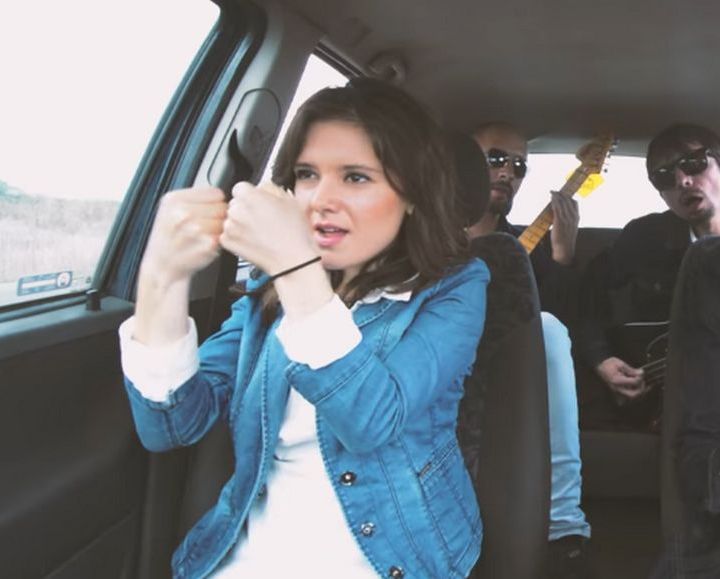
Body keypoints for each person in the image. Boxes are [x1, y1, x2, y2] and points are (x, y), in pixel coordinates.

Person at [118, 78, 490, 579]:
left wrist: (296, 269)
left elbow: (371, 422)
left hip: (398, 556)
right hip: (253, 553)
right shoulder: (268, 294)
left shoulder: (455, 288)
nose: (320, 199)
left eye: (356, 177)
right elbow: (171, 426)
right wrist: (161, 278)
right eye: (306, 175)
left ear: (412, 196)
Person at [466, 122, 593, 577]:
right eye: (496, 159)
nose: (508, 172)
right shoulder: (418, 232)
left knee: (550, 328)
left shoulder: (528, 246)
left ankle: (562, 526)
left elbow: (553, 337)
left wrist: (561, 258)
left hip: (506, 379)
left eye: (519, 166)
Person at [575, 123, 720, 432]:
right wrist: (602, 360)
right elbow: (586, 304)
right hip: (658, 409)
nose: (682, 180)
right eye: (664, 176)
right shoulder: (644, 237)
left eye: (693, 163)